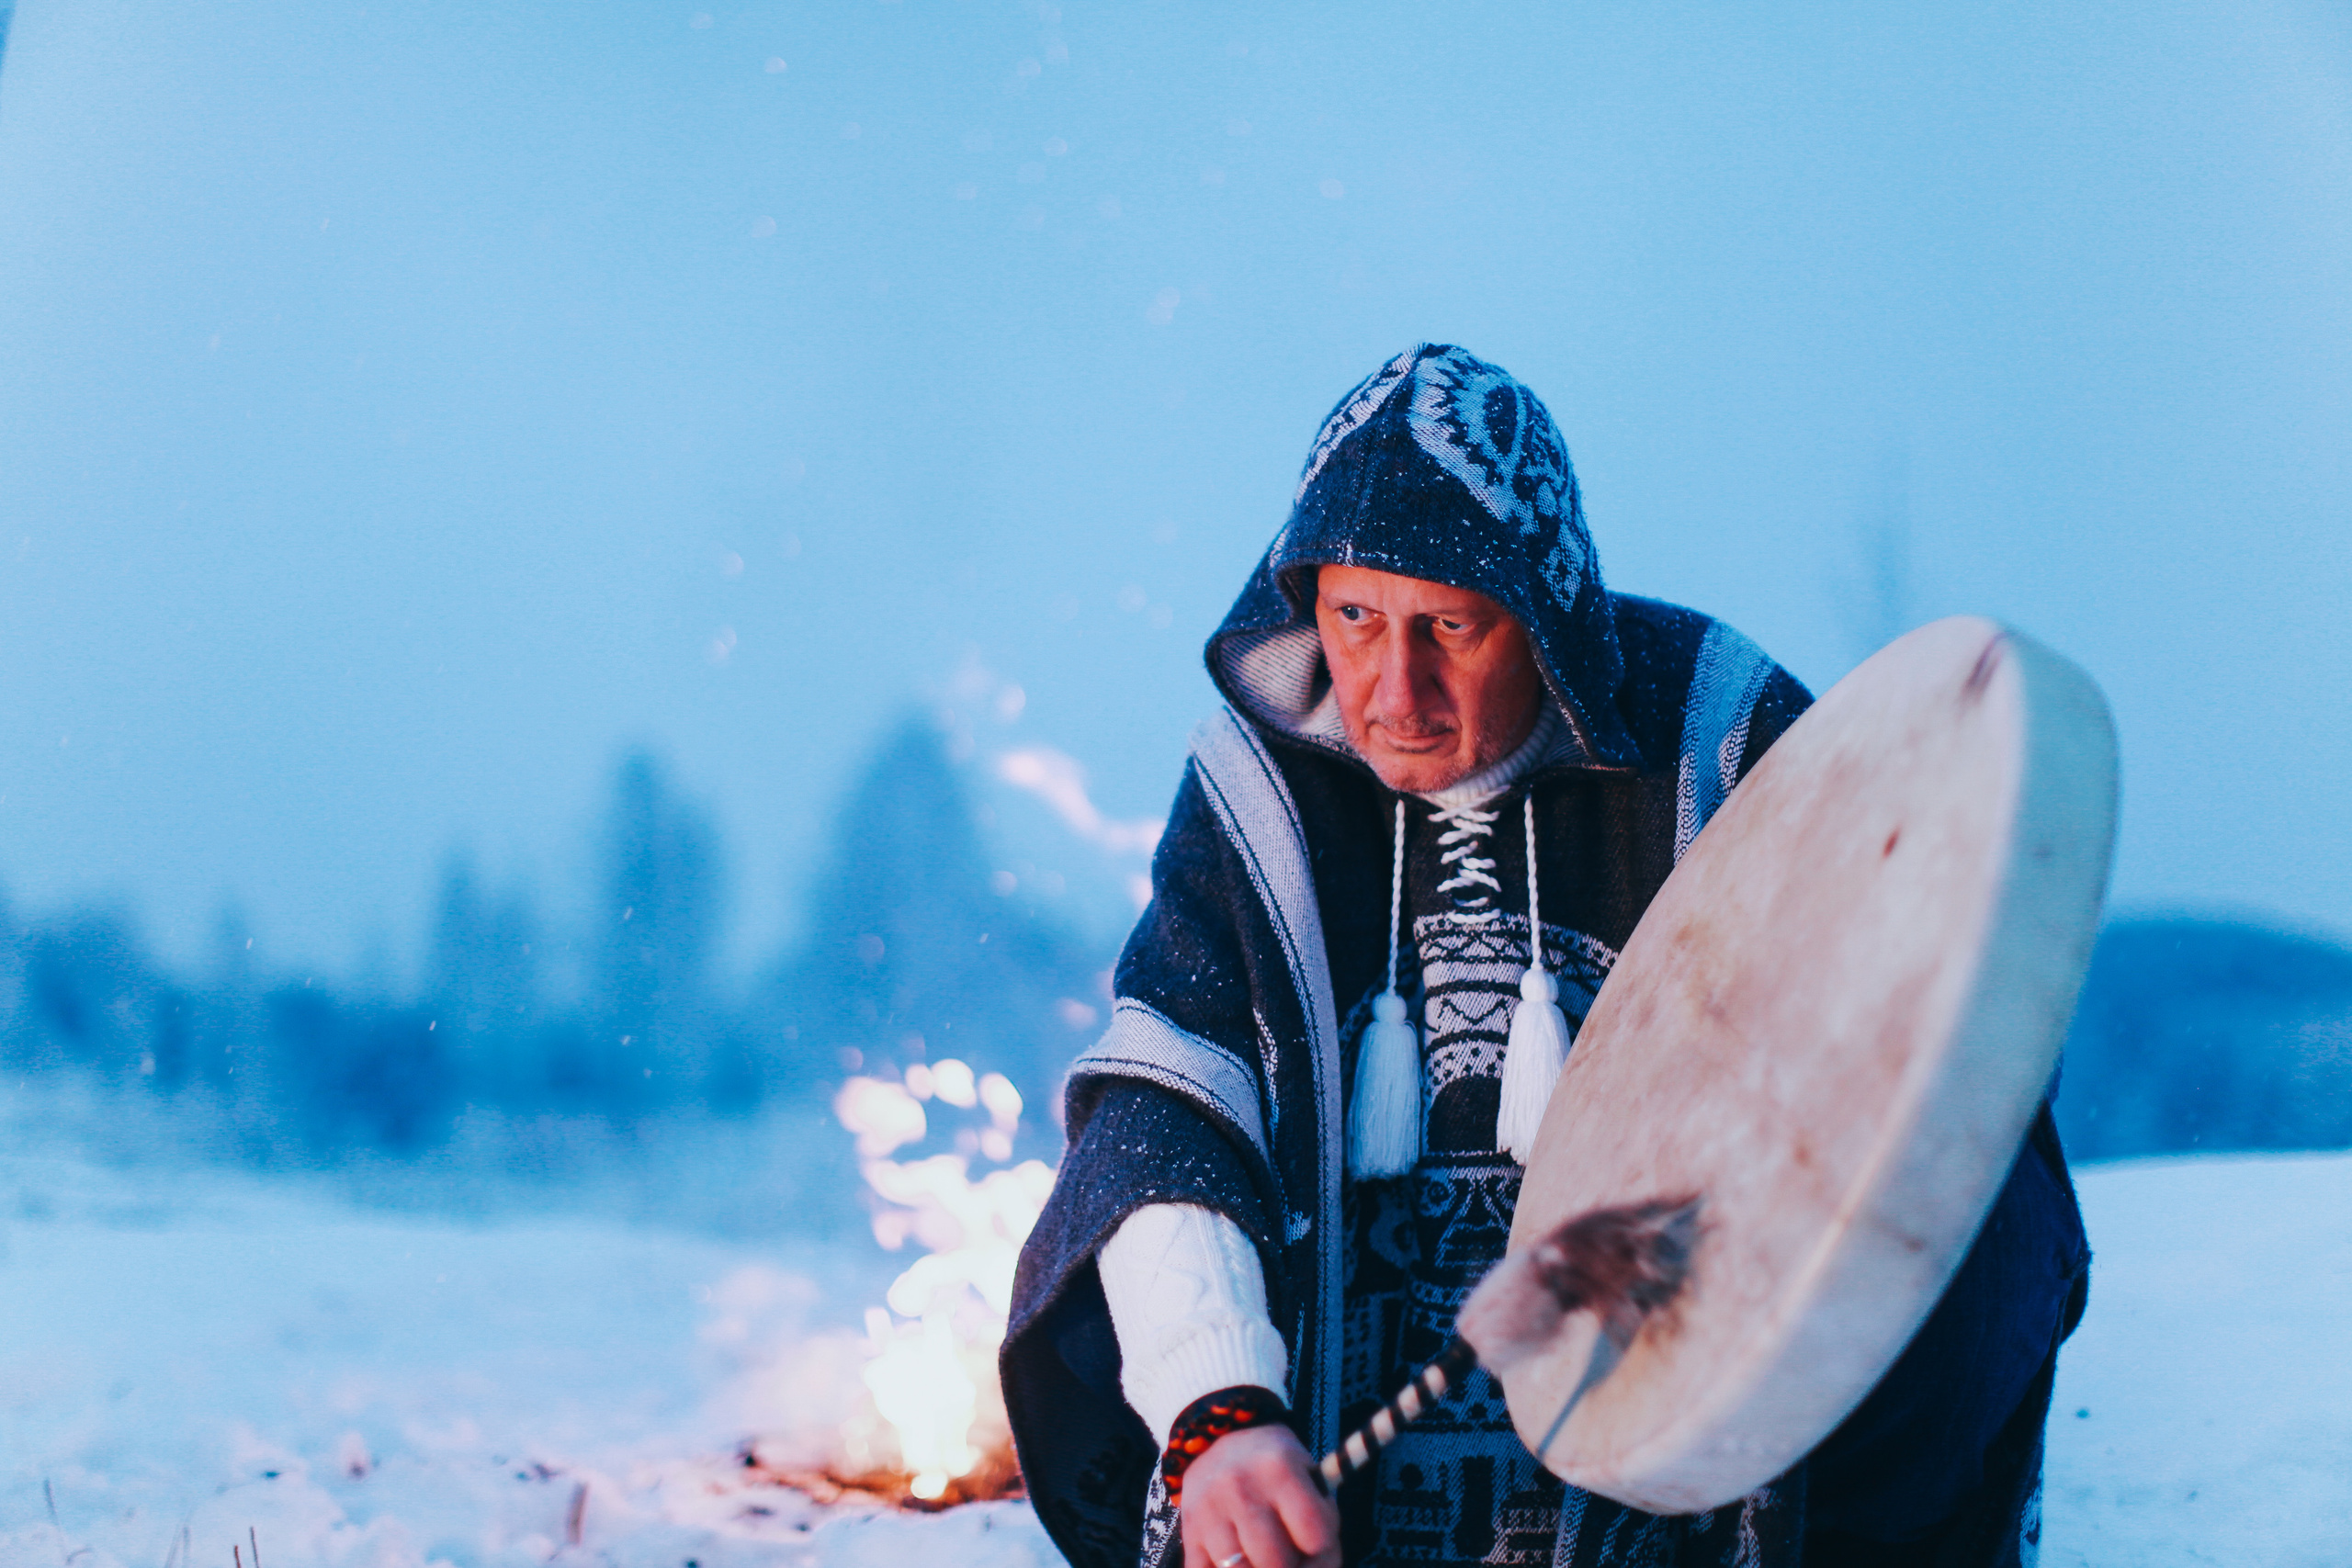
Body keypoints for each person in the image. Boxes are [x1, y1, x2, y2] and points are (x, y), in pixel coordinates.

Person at [1002, 344, 2089, 1568]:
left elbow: (1908, 1042)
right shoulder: (1259, 791)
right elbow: (1168, 1115)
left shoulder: (1721, 734)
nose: (1392, 689)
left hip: (1692, 1395)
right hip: (1335, 1470)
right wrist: (1220, 1411)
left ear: (1547, 617)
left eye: (1451, 628)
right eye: (1355, 619)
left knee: (1978, 1182)